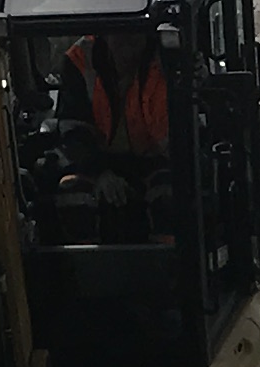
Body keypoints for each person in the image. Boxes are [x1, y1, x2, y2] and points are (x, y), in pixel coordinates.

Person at [54, 27, 172, 240]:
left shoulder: (170, 57)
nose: (126, 40)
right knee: (73, 192)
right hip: (98, 161)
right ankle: (84, 267)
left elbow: (184, 130)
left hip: (156, 159)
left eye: (134, 31)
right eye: (118, 32)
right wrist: (100, 173)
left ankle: (170, 267)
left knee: (170, 191)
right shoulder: (80, 59)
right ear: (103, 33)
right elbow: (74, 130)